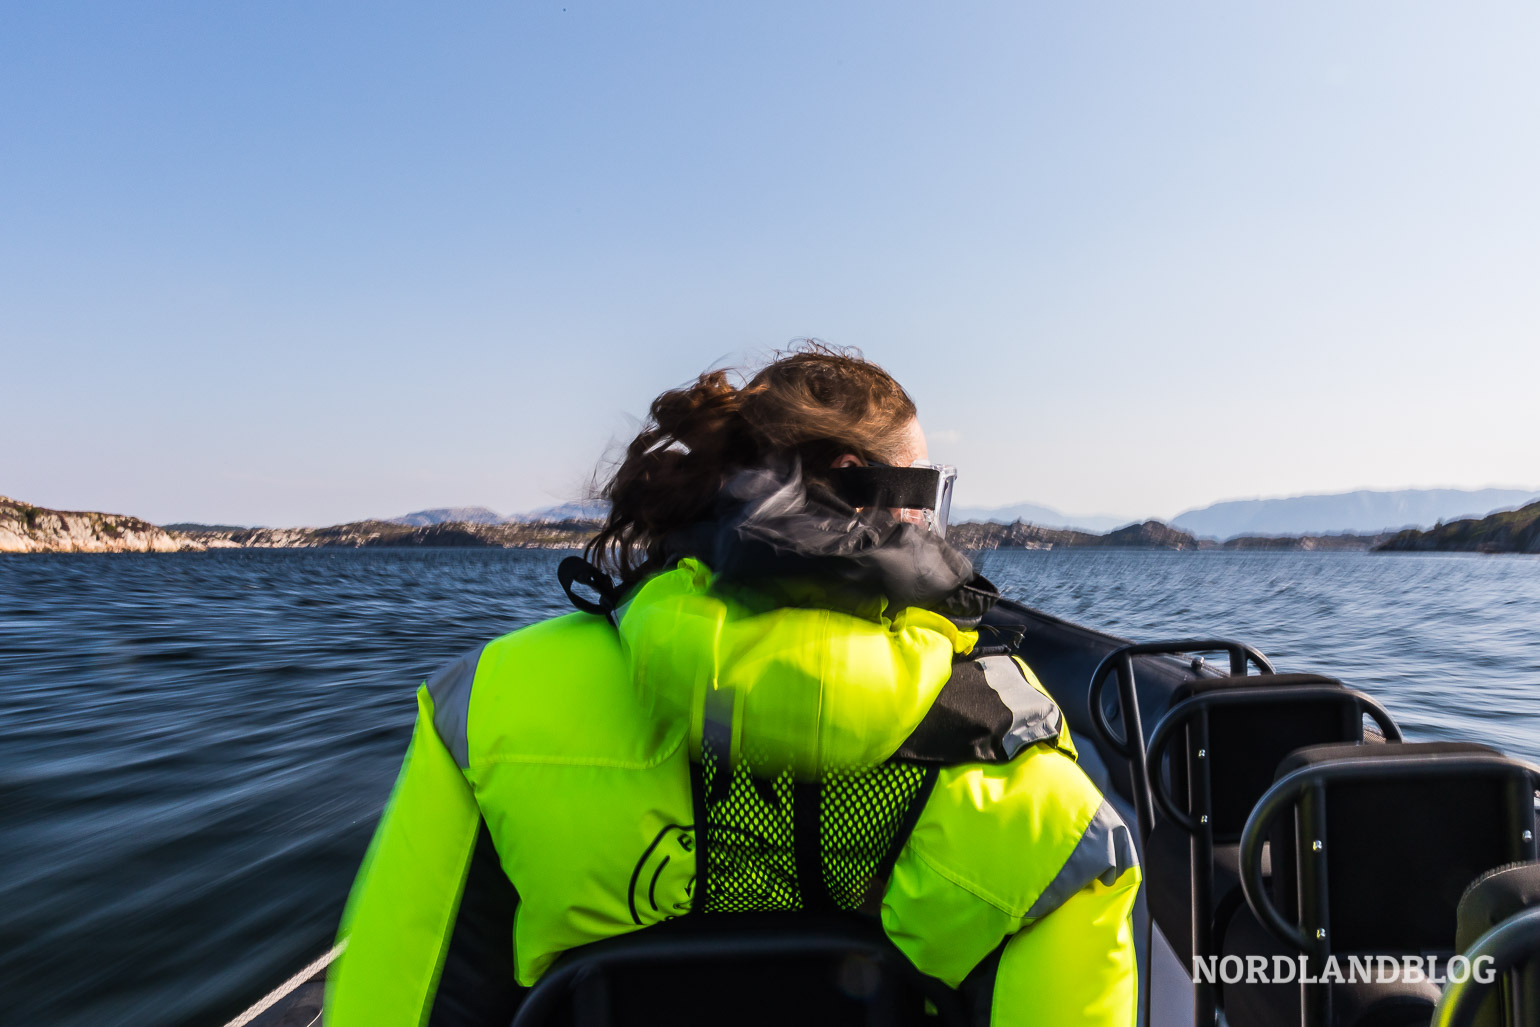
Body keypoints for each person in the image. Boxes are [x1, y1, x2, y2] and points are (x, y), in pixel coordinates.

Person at [325, 344, 1140, 1025]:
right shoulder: (1027, 777)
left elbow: (387, 1004)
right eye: (928, 492)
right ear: (863, 485)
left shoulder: (487, 704)